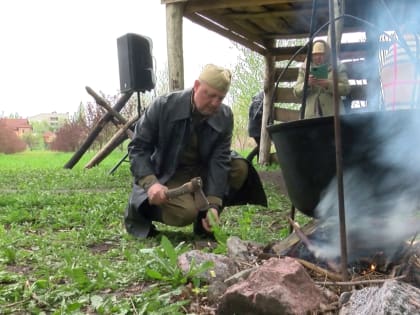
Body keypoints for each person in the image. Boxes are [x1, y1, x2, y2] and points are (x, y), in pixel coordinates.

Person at [124, 64, 267, 238]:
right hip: (167, 173)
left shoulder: (225, 116)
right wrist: (151, 183)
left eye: (220, 98)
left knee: (239, 167)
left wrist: (214, 205)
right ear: (197, 86)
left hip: (200, 172)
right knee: (185, 214)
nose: (215, 103)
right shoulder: (163, 106)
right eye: (210, 95)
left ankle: (205, 221)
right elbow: (137, 147)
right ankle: (143, 210)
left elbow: (220, 160)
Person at [293, 39, 351, 118]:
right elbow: (296, 92)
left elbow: (346, 89)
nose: (318, 57)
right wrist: (306, 84)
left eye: (321, 54)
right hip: (310, 117)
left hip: (334, 116)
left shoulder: (337, 66)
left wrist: (328, 84)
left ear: (327, 54)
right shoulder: (304, 69)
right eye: (315, 54)